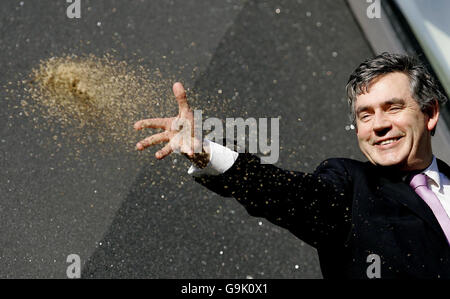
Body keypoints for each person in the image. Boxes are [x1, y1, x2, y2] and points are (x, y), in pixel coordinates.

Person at [133, 53, 450, 279]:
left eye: (392, 108)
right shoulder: (348, 186)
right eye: (365, 115)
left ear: (430, 113)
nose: (378, 125)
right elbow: (291, 196)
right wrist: (203, 151)